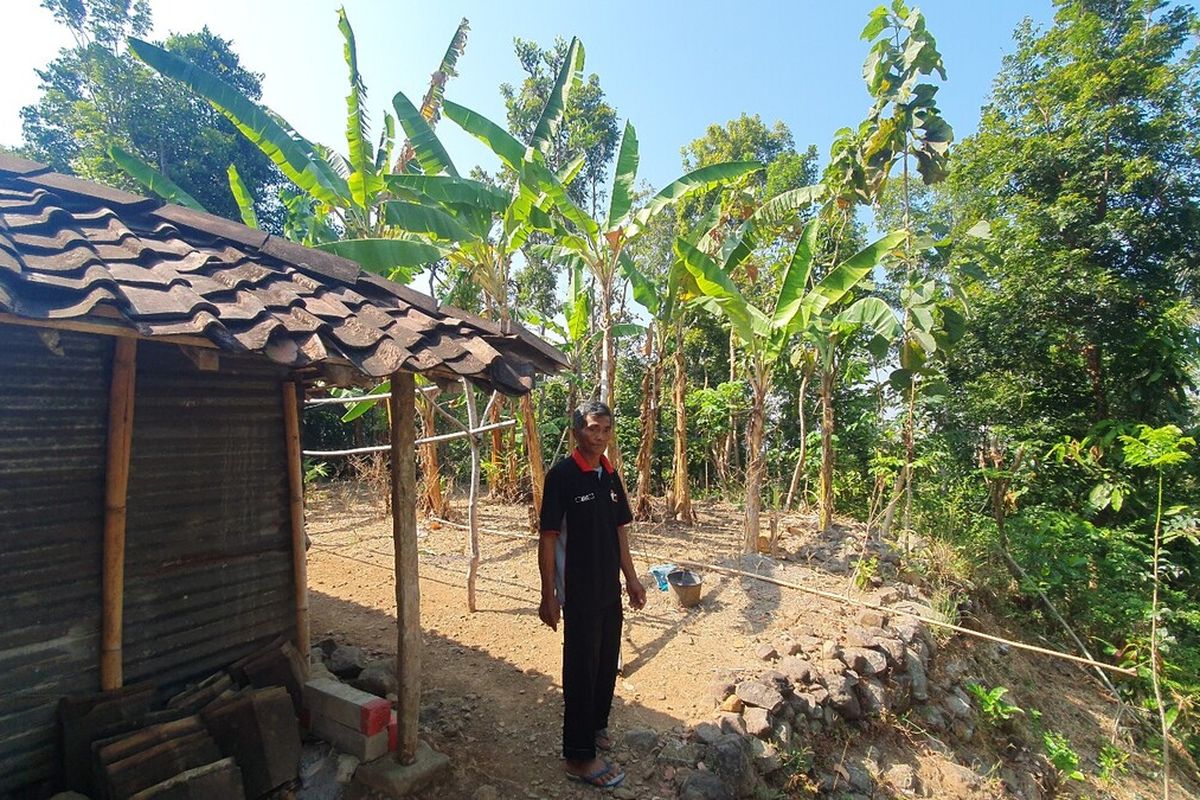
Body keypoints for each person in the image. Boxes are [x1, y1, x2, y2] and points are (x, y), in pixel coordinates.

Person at [538, 400, 646, 788]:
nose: (599, 436)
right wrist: (548, 593)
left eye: (605, 430)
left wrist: (632, 579)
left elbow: (620, 531)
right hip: (579, 591)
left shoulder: (610, 474)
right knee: (581, 669)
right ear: (576, 431)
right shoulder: (562, 476)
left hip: (609, 589)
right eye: (591, 428)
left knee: (604, 664)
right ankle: (578, 756)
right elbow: (548, 537)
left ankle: (597, 726)